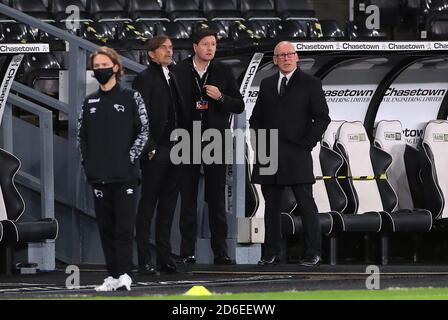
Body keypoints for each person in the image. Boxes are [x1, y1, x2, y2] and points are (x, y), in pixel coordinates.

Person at [249, 41, 330, 267]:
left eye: (290, 54)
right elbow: (256, 118)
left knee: (306, 205)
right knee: (271, 207)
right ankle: (272, 253)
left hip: (297, 153)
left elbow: (322, 118)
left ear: (296, 57)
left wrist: (306, 143)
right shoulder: (265, 84)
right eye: (281, 55)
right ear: (274, 60)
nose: (286, 58)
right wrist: (260, 141)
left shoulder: (311, 83)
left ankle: (313, 252)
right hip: (269, 154)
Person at [78, 46, 149, 291]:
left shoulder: (131, 97)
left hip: (125, 176)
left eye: (104, 66)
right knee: (106, 228)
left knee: (124, 228)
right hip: (99, 177)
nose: (100, 70)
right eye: (96, 67)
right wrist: (87, 163)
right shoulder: (89, 102)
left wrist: (130, 158)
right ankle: (112, 274)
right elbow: (82, 137)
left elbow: (144, 131)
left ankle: (126, 274)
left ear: (116, 67)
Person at [172, 28, 245, 265]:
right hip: (186, 138)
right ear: (195, 47)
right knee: (188, 198)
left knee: (216, 199)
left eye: (213, 44)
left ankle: (221, 251)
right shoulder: (179, 71)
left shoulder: (223, 71)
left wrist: (220, 97)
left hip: (216, 139)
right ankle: (187, 252)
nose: (210, 48)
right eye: (206, 44)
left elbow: (239, 105)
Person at [133, 36, 184, 274]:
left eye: (171, 48)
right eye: (164, 47)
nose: (169, 51)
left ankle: (165, 257)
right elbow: (139, 115)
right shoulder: (144, 78)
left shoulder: (174, 75)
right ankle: (144, 259)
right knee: (148, 205)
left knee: (168, 206)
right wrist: (149, 147)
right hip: (156, 150)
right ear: (151, 53)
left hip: (176, 149)